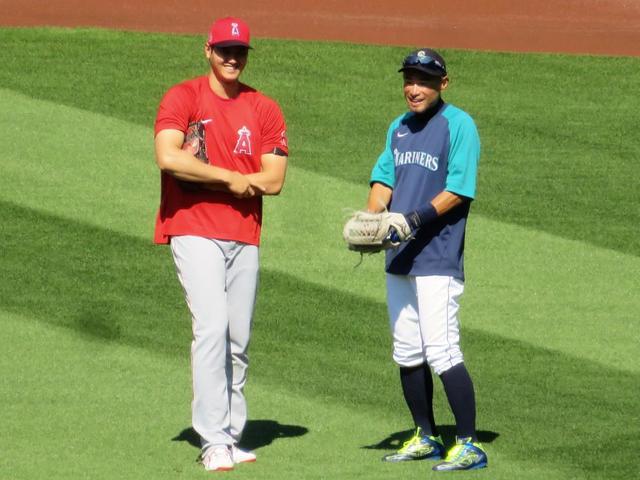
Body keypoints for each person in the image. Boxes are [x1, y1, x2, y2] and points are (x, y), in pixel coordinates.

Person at [153, 17, 288, 472]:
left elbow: (274, 179)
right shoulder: (183, 97)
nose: (233, 57)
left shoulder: (264, 107)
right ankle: (212, 439)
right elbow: (169, 157)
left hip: (244, 234)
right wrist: (229, 177)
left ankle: (231, 434)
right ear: (207, 49)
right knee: (211, 329)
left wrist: (215, 176)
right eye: (224, 49)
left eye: (241, 51)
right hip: (192, 229)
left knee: (237, 338)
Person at [366, 48, 488, 471]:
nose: (414, 89)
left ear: (443, 84)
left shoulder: (459, 125)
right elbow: (384, 179)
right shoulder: (398, 128)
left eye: (424, 81)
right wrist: (374, 217)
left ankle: (470, 443)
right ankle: (425, 435)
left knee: (442, 349)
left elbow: (459, 189)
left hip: (437, 257)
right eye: (409, 80)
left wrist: (412, 219)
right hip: (399, 258)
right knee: (406, 351)